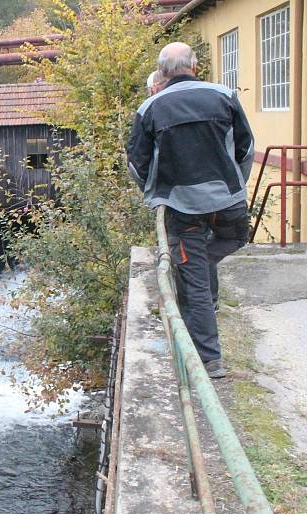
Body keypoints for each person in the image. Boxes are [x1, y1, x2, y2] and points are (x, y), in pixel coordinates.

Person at [127, 42, 254, 379]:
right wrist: (235, 186)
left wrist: (156, 194)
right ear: (194, 66)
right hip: (228, 204)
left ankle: (212, 362)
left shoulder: (150, 107)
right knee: (237, 237)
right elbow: (247, 148)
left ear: (162, 71)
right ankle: (196, 270)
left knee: (194, 278)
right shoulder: (225, 95)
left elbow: (136, 164)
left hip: (182, 209)